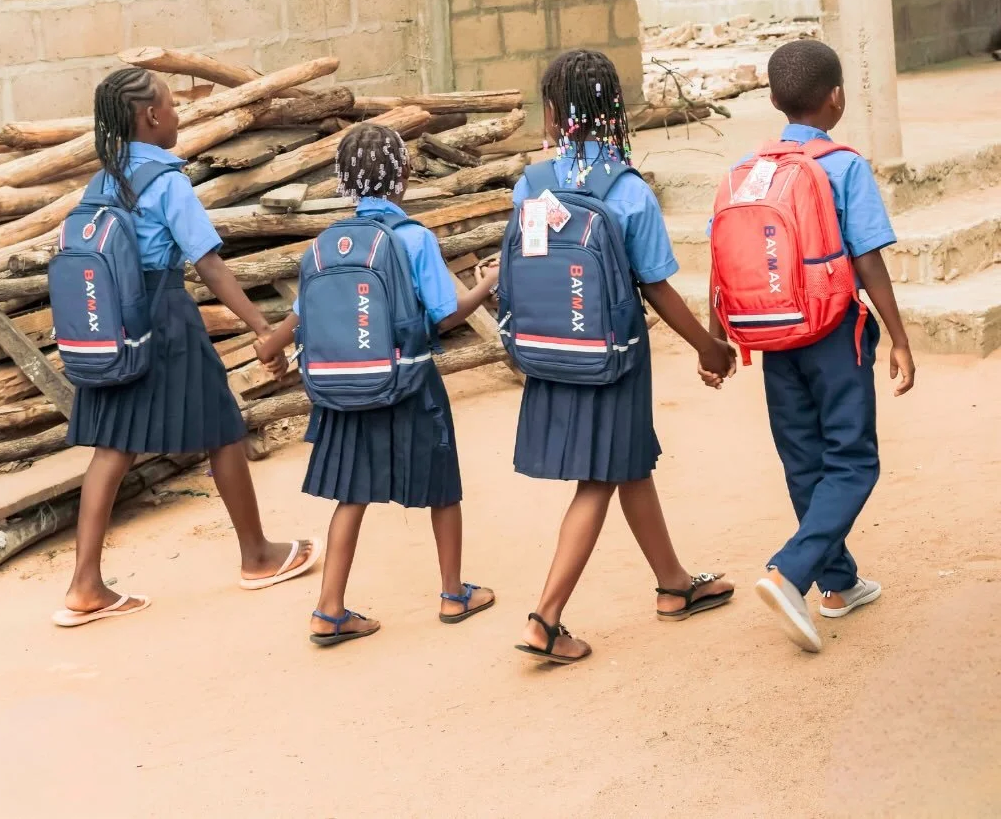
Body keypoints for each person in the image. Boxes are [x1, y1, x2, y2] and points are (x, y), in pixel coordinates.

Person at [53, 67, 320, 627]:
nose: (178, 113)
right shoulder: (166, 179)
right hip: (165, 315)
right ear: (152, 116)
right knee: (223, 429)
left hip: (112, 324)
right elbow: (209, 264)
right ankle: (257, 556)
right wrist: (261, 328)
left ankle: (84, 585)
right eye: (173, 105)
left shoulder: (103, 180)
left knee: (112, 446)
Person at [509, 49, 737, 665]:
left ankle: (673, 584)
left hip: (552, 351)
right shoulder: (629, 191)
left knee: (628, 460)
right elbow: (656, 285)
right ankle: (545, 618)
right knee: (601, 475)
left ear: (552, 114)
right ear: (615, 111)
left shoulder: (530, 185)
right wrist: (709, 346)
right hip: (614, 357)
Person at [706, 39, 916, 653]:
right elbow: (867, 260)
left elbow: (723, 262)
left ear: (774, 101)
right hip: (833, 334)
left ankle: (838, 584)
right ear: (837, 98)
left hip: (773, 335)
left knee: (804, 461)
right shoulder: (844, 166)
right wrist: (899, 338)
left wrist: (716, 339)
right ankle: (790, 572)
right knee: (853, 460)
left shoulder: (747, 170)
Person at [256, 123, 500, 648]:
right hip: (410, 384)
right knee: (442, 487)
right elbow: (446, 316)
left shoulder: (326, 245)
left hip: (345, 391)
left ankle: (328, 610)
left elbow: (303, 314)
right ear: (404, 175)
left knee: (351, 494)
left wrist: (272, 345)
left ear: (343, 180)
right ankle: (453, 593)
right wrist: (487, 284)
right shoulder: (413, 238)